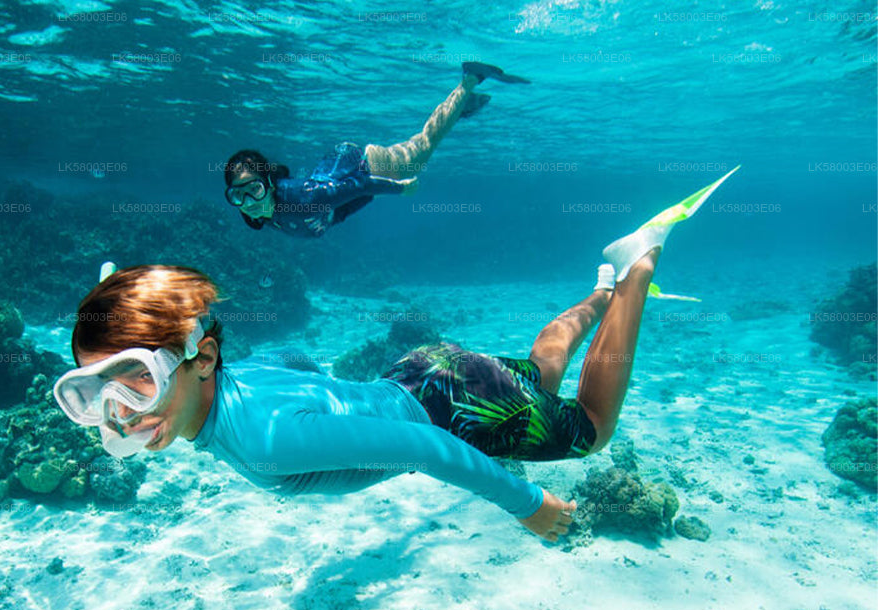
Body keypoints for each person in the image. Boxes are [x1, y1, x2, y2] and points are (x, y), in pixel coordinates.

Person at [54, 169, 739, 542]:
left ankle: (641, 262)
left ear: (199, 359)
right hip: (423, 374)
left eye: (134, 382)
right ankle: (602, 288)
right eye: (91, 393)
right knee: (541, 379)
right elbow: (296, 365)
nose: (117, 415)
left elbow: (421, 449)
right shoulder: (229, 376)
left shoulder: (263, 441)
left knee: (589, 430)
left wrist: (527, 503)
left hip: (447, 411)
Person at [222, 61, 529, 237]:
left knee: (422, 147)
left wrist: (400, 189)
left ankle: (470, 79)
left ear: (270, 184)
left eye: (255, 190)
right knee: (422, 144)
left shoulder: (305, 199)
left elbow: (360, 186)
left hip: (365, 167)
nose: (248, 202)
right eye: (238, 195)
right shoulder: (255, 214)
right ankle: (460, 107)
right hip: (348, 170)